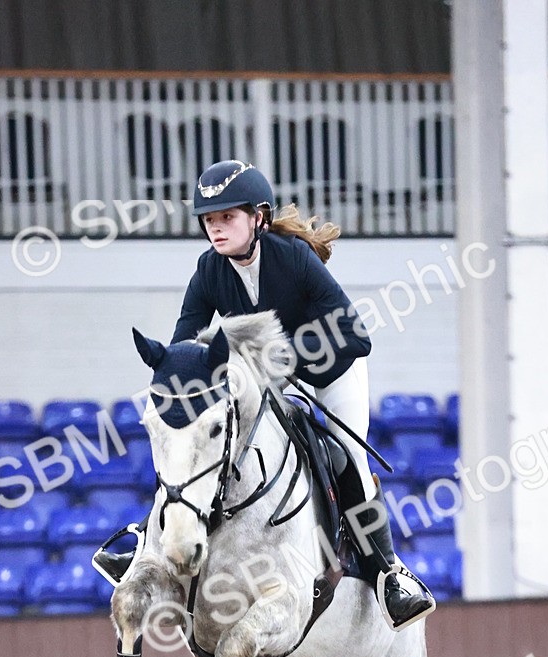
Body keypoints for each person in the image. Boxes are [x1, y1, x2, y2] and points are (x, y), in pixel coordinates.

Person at [95, 159, 433, 629]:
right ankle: (147, 546)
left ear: (259, 218)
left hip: (329, 373)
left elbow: (356, 336)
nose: (216, 228)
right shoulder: (209, 270)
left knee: (347, 460)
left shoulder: (292, 256)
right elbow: (186, 339)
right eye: (210, 220)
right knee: (192, 445)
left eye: (227, 217)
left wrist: (280, 359)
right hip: (265, 382)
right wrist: (170, 369)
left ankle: (388, 575)